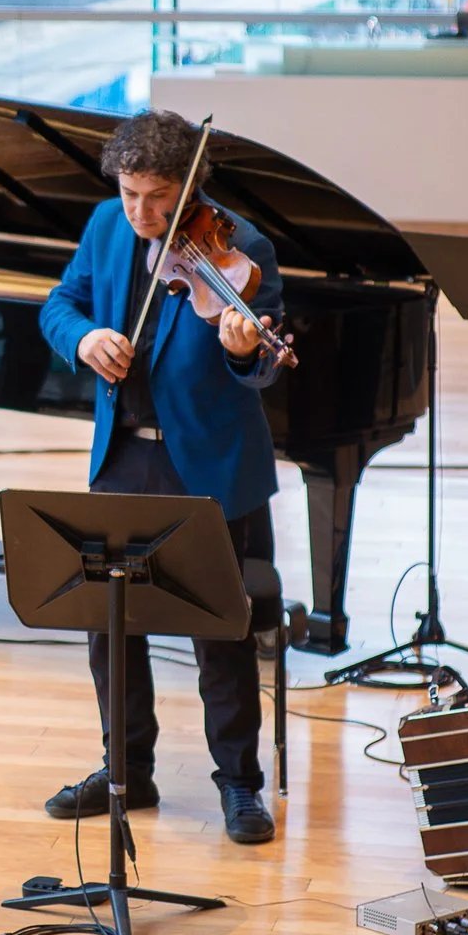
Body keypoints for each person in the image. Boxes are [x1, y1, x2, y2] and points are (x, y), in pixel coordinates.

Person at [36, 109, 286, 845]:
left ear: (190, 187)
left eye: (158, 197)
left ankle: (239, 785)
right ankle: (127, 771)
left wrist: (242, 350)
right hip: (123, 455)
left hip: (205, 463)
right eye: (130, 194)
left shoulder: (244, 248)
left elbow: (263, 370)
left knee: (220, 631)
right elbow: (60, 305)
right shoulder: (104, 226)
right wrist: (85, 338)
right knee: (109, 623)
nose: (142, 213)